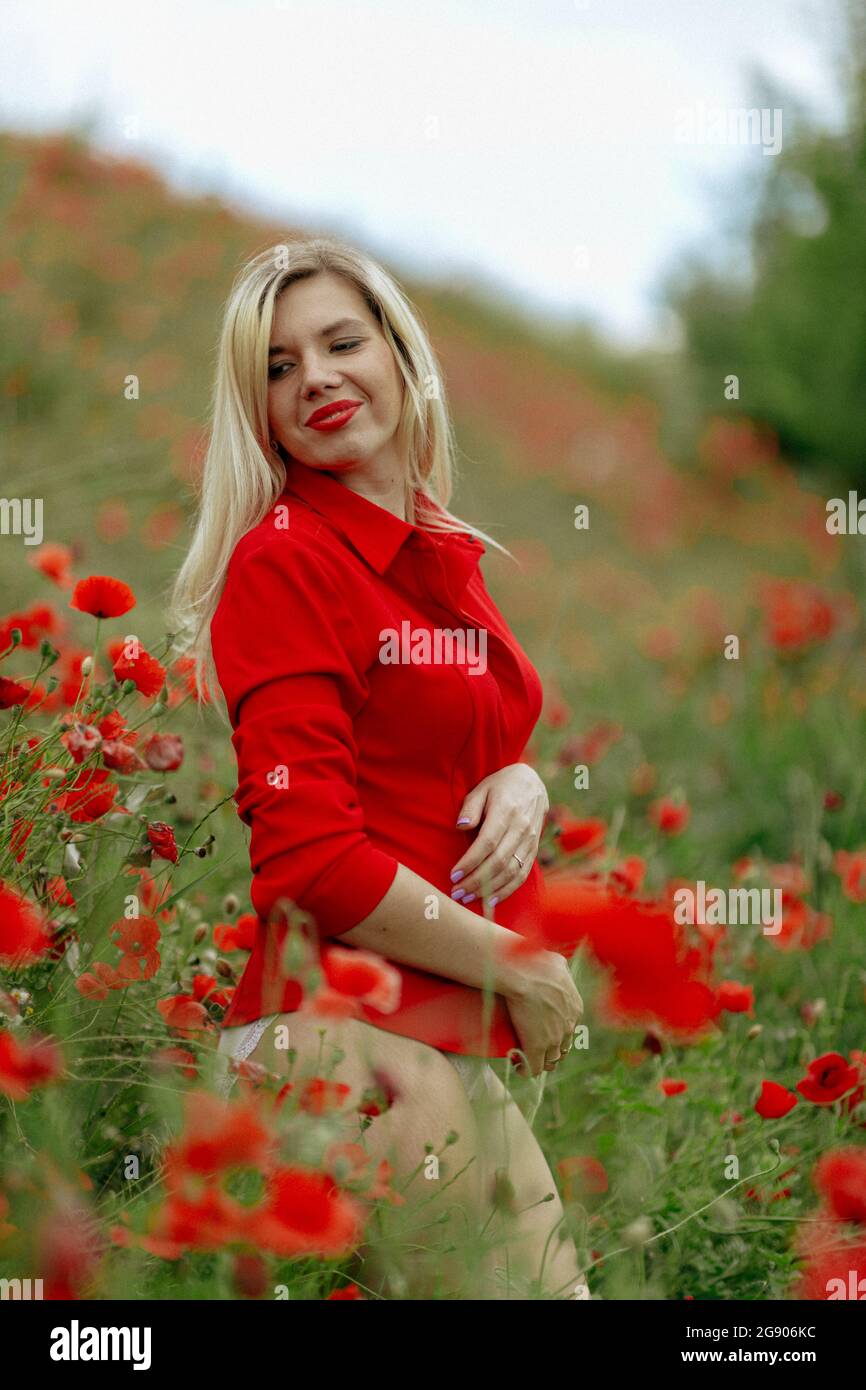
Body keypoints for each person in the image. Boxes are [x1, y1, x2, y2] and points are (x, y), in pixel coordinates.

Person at [169, 236, 588, 1300]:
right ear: (258, 409)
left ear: (400, 356)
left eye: (340, 341)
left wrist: (522, 780)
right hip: (335, 1039)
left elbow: (440, 743)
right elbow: (308, 857)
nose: (313, 376)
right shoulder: (286, 561)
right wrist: (520, 961)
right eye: (275, 365)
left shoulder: (432, 553)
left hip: (430, 1038)